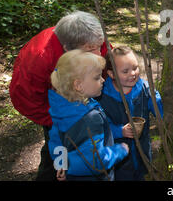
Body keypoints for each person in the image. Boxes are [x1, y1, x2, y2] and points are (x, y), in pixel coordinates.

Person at [9, 11, 109, 181]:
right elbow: (26, 98)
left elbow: (105, 60)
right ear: (68, 48)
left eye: (99, 46)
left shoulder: (91, 39)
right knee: (57, 150)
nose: (98, 53)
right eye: (91, 50)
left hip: (86, 96)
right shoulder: (39, 58)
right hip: (54, 108)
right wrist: (57, 120)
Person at [47, 49, 129, 181]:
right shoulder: (90, 119)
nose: (103, 80)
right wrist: (120, 150)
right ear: (78, 85)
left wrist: (61, 164)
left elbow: (56, 140)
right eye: (97, 77)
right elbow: (97, 162)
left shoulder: (62, 109)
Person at [97, 45, 163, 180]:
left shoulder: (144, 88)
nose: (132, 73)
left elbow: (159, 110)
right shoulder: (103, 96)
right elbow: (99, 126)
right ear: (111, 74)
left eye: (135, 68)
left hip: (142, 151)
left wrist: (159, 107)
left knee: (141, 174)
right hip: (120, 157)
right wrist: (119, 131)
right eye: (125, 71)